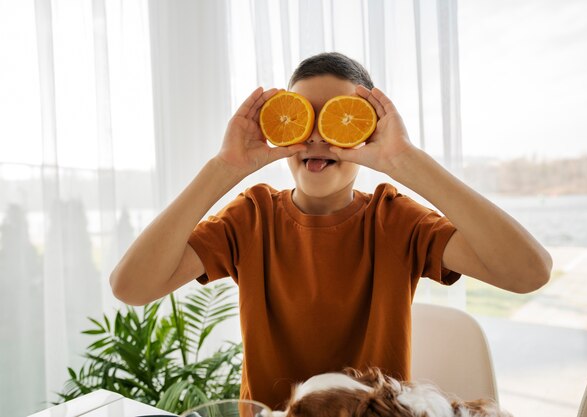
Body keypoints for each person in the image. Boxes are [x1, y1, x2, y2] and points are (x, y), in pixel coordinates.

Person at [110, 52, 552, 410]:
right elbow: (130, 286)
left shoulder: (395, 219)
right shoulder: (252, 217)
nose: (318, 137)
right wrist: (223, 169)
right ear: (280, 125)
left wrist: (406, 161)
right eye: (301, 117)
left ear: (367, 132)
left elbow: (528, 272)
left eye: (338, 119)